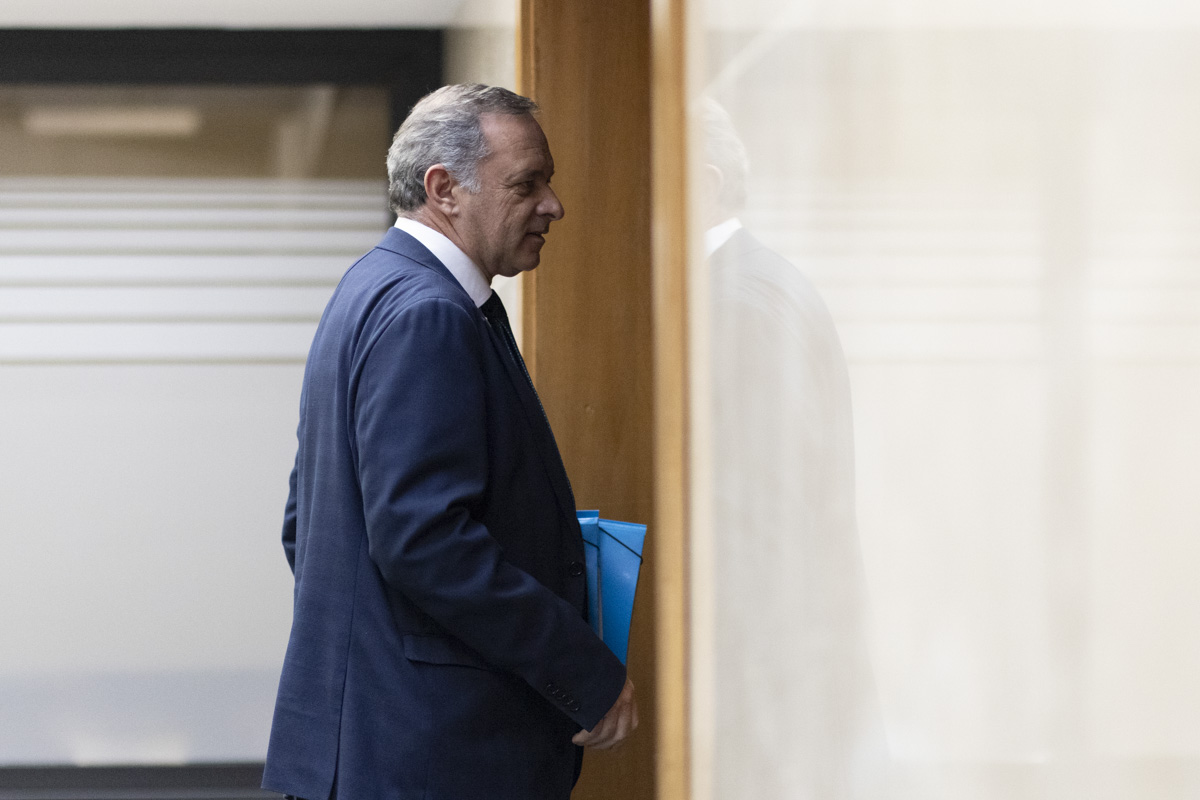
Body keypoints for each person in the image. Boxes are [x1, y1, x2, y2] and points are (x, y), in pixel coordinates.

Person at [262, 84, 637, 800]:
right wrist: (581, 669)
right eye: (526, 184)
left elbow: (305, 525)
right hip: (431, 754)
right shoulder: (429, 313)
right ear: (444, 190)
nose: (553, 205)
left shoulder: (369, 288)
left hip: (377, 748)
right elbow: (423, 540)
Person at [701, 97, 888, 798]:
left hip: (770, 696)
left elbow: (763, 524)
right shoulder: (755, 284)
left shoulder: (741, 305)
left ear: (704, 183)